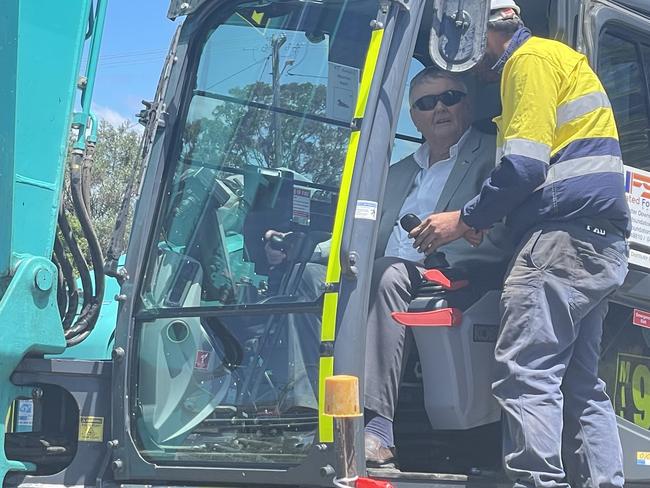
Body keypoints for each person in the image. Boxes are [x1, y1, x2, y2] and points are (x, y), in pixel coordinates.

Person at [410, 2, 631, 487]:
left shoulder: (526, 62)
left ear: (472, 33)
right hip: (597, 243)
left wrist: (462, 219)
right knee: (580, 386)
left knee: (526, 370)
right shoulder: (562, 60)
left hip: (558, 243)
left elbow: (525, 167)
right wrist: (488, 218)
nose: (467, 76)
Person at [362, 68, 510, 468]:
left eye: (450, 97)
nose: (439, 108)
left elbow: (504, 232)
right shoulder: (395, 173)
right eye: (427, 103)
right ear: (415, 115)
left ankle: (376, 430)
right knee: (311, 275)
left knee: (389, 272)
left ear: (469, 103)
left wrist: (449, 239)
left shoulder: (495, 156)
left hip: (454, 275)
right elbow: (364, 232)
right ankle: (296, 410)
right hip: (386, 270)